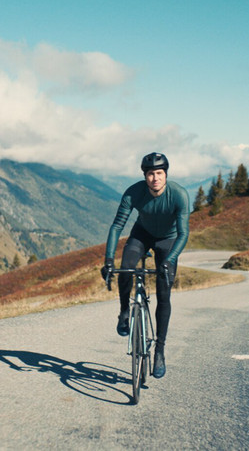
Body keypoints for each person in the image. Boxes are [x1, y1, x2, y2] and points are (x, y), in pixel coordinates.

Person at [101, 152, 190, 379]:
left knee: (164, 293)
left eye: (159, 173)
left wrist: (169, 261)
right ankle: (123, 312)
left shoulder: (178, 195)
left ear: (165, 174)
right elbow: (116, 226)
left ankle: (159, 350)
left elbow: (183, 233)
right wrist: (108, 261)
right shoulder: (134, 192)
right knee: (127, 267)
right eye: (151, 174)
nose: (155, 178)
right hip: (142, 234)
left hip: (168, 241)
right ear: (145, 176)